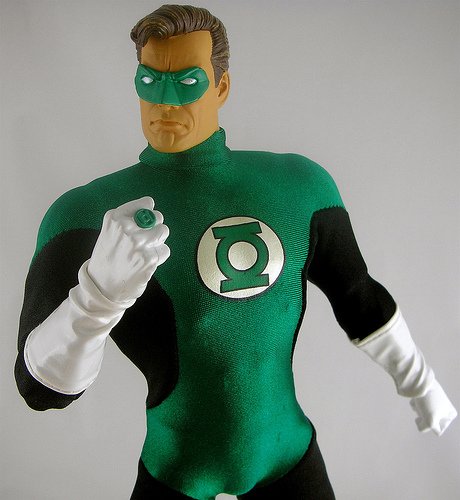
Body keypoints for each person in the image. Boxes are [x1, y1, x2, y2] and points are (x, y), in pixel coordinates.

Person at [15, 5, 457, 500]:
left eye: (186, 83)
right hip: (178, 466)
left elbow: (358, 296)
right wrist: (97, 297)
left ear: (221, 87)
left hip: (286, 453)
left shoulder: (299, 187)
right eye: (149, 82)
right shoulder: (85, 214)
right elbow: (39, 388)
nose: (164, 103)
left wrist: (422, 385)